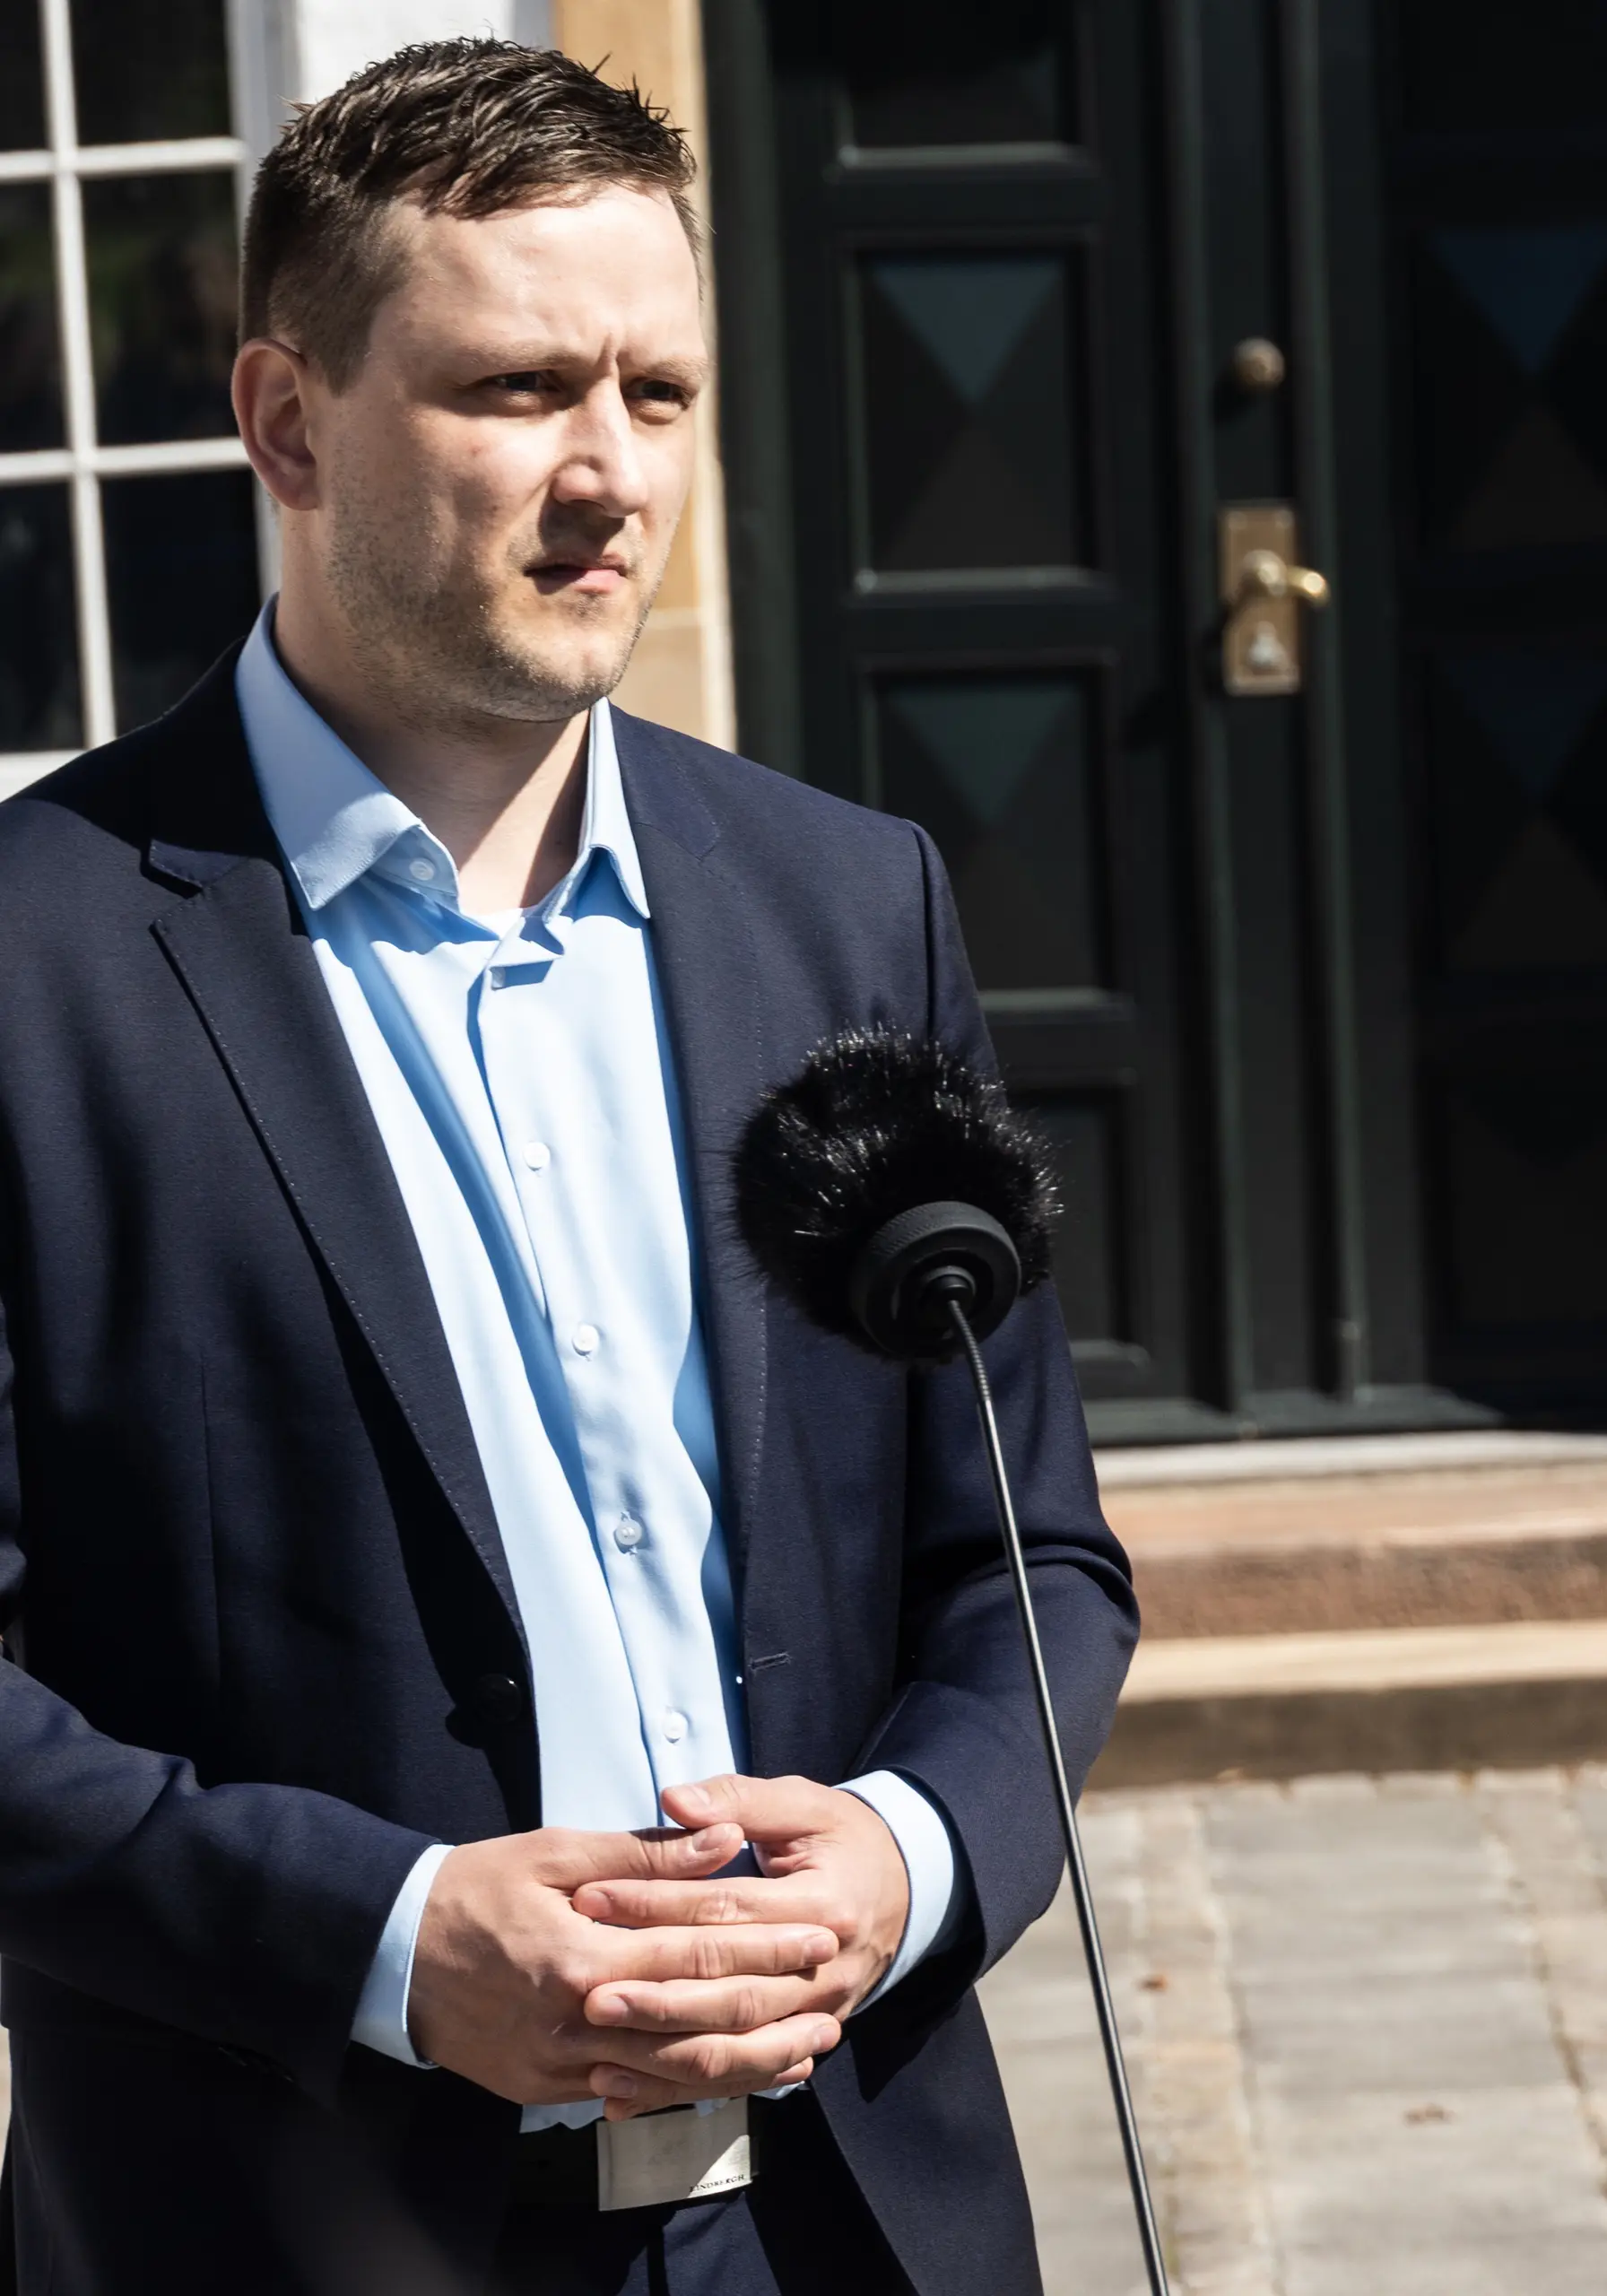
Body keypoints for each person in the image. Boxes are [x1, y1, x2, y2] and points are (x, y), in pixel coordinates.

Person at [0, 40, 1136, 2293]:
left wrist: (907, 1854)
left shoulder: (853, 904)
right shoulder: (32, 962)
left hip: (841, 2225)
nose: (609, 473)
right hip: (288, 2223)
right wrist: (393, 1934)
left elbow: (1032, 1558)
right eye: (521, 388)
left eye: (662, 392)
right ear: (287, 422)